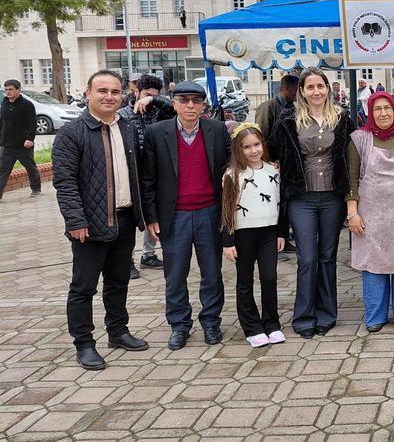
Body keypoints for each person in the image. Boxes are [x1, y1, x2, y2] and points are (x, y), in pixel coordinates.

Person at [52, 70, 149, 370]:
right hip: (89, 224)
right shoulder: (72, 133)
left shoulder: (128, 128)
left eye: (115, 92)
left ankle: (118, 331)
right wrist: (75, 221)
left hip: (124, 219)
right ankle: (84, 343)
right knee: (83, 287)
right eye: (102, 91)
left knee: (119, 281)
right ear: (88, 94)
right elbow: (65, 182)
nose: (109, 97)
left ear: (123, 95)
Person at [142, 81, 231, 351]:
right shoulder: (157, 133)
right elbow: (147, 179)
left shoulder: (216, 130)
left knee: (212, 273)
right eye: (184, 100)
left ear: (203, 105)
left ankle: (211, 321)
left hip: (210, 213)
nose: (190, 105)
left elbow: (229, 171)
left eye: (196, 100)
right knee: (175, 274)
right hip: (175, 215)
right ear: (174, 103)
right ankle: (179, 324)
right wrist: (151, 217)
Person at [271, 67, 355, 339]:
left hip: (332, 196)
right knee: (307, 258)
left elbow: (352, 156)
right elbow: (273, 150)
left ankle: (327, 314)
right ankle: (304, 315)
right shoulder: (289, 119)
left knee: (327, 257)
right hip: (302, 198)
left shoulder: (342, 118)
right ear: (302, 91)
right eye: (310, 87)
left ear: (328, 88)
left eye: (321, 86)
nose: (316, 91)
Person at [347, 91, 394, 334]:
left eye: (387, 108)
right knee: (374, 263)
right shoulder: (359, 139)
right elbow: (351, 180)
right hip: (371, 214)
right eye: (377, 109)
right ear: (370, 112)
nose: (383, 113)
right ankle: (375, 315)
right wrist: (352, 213)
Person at [220, 123, 287, 348]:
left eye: (257, 145)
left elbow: (280, 203)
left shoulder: (273, 171)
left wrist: (281, 233)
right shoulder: (231, 175)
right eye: (247, 147)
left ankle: (272, 324)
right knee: (245, 281)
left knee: (269, 278)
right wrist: (227, 242)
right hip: (243, 235)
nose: (253, 150)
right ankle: (252, 327)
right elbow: (227, 210)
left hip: (268, 233)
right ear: (238, 149)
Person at [119, 74, 176, 273]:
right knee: (131, 218)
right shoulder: (123, 114)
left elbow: (175, 109)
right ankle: (127, 261)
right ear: (136, 92)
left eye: (154, 95)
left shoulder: (160, 112)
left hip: (155, 172)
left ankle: (148, 255)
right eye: (145, 94)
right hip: (130, 173)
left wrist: (154, 100)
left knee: (154, 214)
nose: (148, 98)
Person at [0, 79, 41, 201]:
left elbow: (32, 123)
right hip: (7, 145)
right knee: (3, 170)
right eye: (6, 89)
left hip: (23, 145)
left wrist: (30, 139)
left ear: (18, 90)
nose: (8, 92)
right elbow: (2, 122)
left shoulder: (27, 105)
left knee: (30, 167)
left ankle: (36, 188)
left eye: (11, 89)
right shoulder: (4, 104)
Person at [255, 74, 299, 156]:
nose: (299, 93)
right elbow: (261, 137)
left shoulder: (294, 108)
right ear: (286, 89)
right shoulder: (267, 107)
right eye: (296, 90)